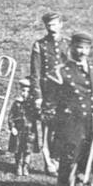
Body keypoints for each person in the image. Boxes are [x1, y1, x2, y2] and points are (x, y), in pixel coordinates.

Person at [46, 32, 93, 186]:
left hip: (91, 128)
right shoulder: (60, 72)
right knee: (67, 171)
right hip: (70, 129)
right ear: (70, 48)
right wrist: (58, 127)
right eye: (78, 47)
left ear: (89, 50)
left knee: (88, 169)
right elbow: (49, 104)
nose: (81, 51)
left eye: (85, 48)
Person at [28, 11, 65, 173]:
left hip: (64, 94)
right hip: (47, 93)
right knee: (47, 129)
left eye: (55, 24)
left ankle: (59, 159)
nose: (52, 28)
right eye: (49, 25)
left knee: (62, 128)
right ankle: (48, 161)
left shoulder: (68, 44)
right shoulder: (40, 45)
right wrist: (37, 96)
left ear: (61, 24)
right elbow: (35, 73)